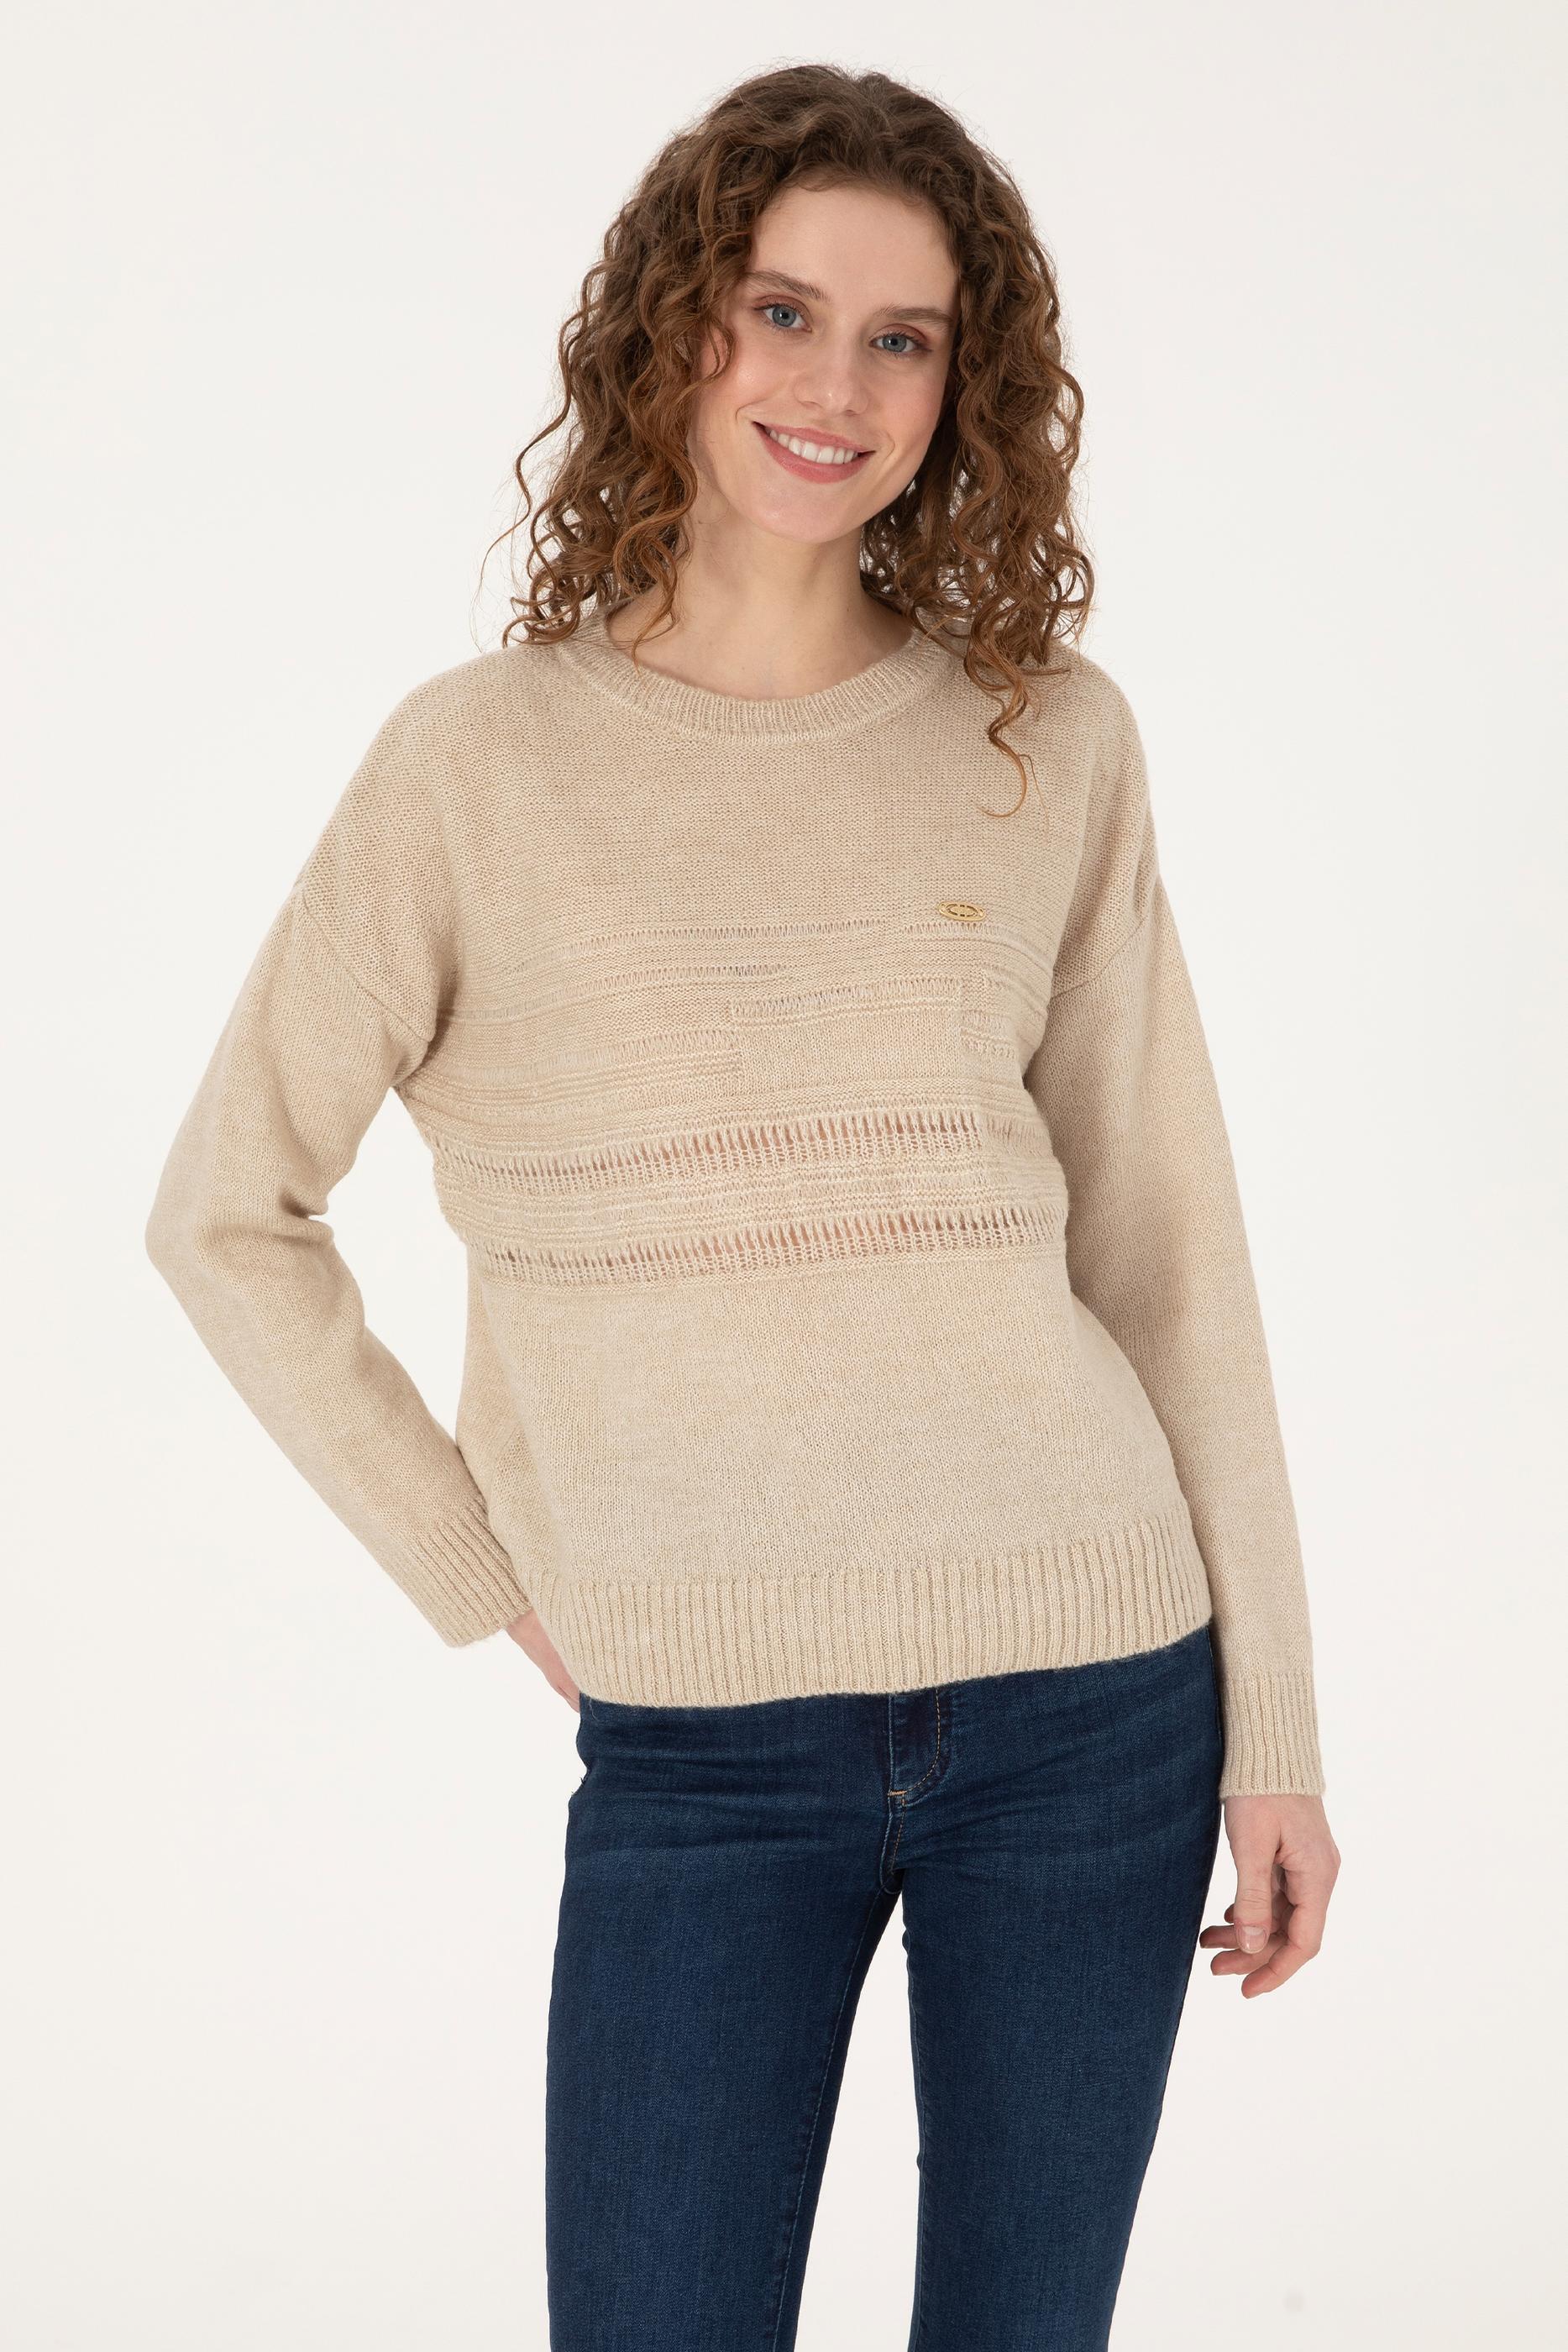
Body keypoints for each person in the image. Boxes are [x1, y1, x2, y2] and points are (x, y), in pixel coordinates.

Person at [145, 61, 1340, 2352]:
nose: (835, 386)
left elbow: (1168, 1255)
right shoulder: (472, 768)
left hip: (1097, 1712)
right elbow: (226, 1213)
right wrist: (483, 1569)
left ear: (961, 389)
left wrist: (1272, 1727)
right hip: (702, 1745)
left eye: (902, 338)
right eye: (780, 310)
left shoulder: (1046, 739)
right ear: (673, 327)